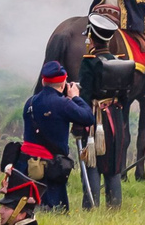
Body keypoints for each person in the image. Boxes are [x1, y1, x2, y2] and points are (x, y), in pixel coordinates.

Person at [21, 63, 93, 212]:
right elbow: (88, 117)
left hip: (28, 163)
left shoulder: (30, 102)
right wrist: (75, 98)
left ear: (43, 81)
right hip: (53, 166)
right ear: (63, 83)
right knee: (57, 210)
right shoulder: (63, 104)